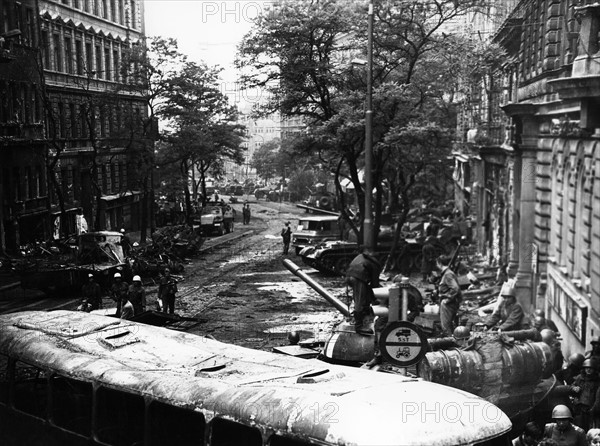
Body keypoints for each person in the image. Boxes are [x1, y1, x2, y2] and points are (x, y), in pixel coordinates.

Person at [346, 249, 381, 336]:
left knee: (358, 296)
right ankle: (359, 327)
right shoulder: (375, 265)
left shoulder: (362, 257)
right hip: (358, 277)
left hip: (350, 276)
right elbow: (374, 284)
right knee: (360, 300)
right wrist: (375, 298)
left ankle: (362, 313)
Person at [435, 254, 462, 337]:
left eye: (437, 263)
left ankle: (450, 344)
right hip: (450, 303)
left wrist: (447, 299)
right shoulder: (447, 273)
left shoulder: (447, 274)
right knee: (450, 325)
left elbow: (455, 288)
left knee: (446, 327)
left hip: (448, 304)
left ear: (439, 263)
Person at [570, 358, 600, 431]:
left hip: (591, 408)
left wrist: (594, 408)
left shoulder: (597, 380)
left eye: (590, 368)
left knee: (591, 429)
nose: (588, 370)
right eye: (586, 368)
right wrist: (574, 388)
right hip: (579, 408)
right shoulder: (580, 378)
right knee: (578, 428)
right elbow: (572, 387)